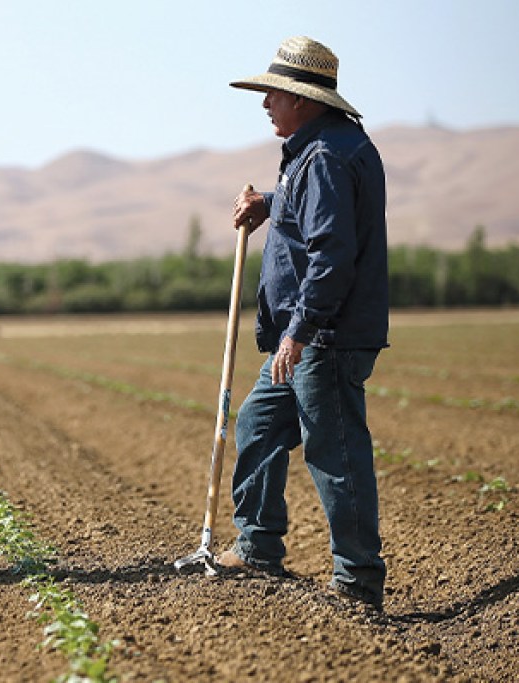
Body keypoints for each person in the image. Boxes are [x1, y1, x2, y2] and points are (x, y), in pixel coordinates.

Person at [218, 36, 389, 610]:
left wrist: (299, 329)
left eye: (275, 94)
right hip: (309, 334)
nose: (266, 102)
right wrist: (270, 202)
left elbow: (331, 254)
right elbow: (314, 214)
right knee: (258, 425)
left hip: (323, 336)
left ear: (305, 99)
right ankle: (259, 547)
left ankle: (357, 580)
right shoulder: (319, 150)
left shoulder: (325, 157)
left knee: (335, 454)